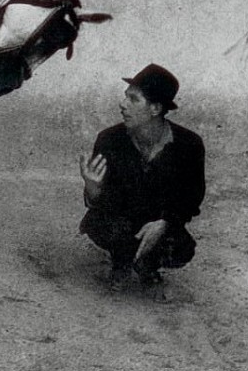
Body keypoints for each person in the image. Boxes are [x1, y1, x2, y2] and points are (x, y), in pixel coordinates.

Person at [78, 64, 205, 289]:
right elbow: (103, 204)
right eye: (126, 97)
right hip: (122, 219)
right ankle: (121, 262)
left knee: (182, 248)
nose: (122, 104)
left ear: (155, 108)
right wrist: (92, 188)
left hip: (159, 221)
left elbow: (192, 197)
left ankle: (148, 265)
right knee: (100, 224)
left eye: (133, 99)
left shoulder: (188, 145)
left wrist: (166, 223)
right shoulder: (110, 140)